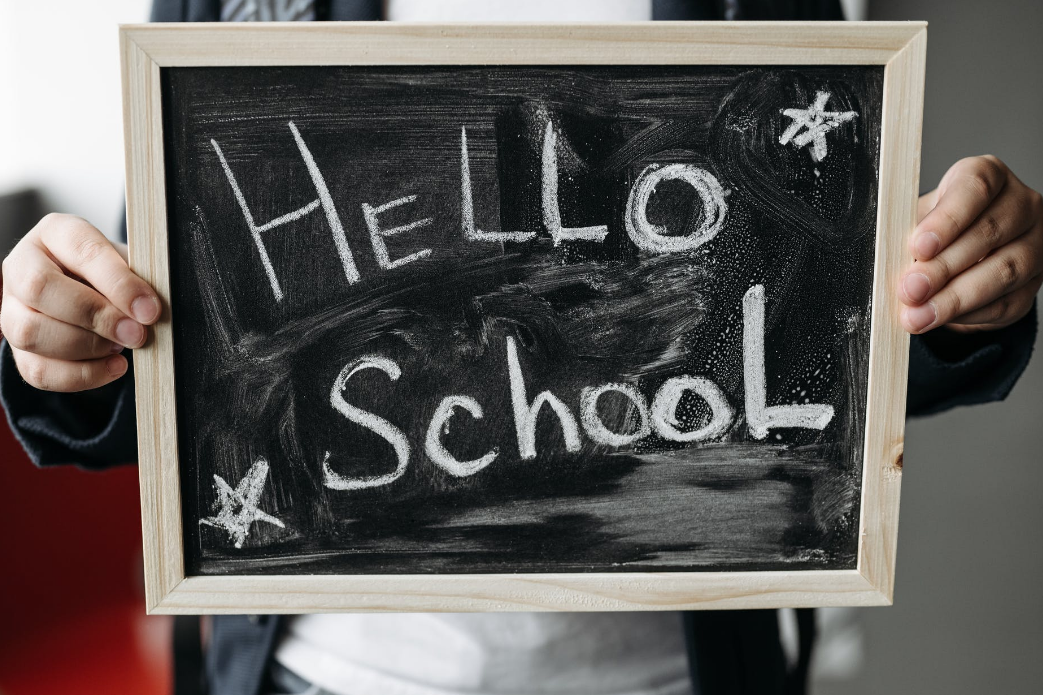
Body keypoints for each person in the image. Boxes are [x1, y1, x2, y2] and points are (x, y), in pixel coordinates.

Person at [0, 2, 1040, 695]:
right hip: (324, 672)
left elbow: (822, 324)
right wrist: (66, 343)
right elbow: (166, 354)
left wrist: (951, 301)